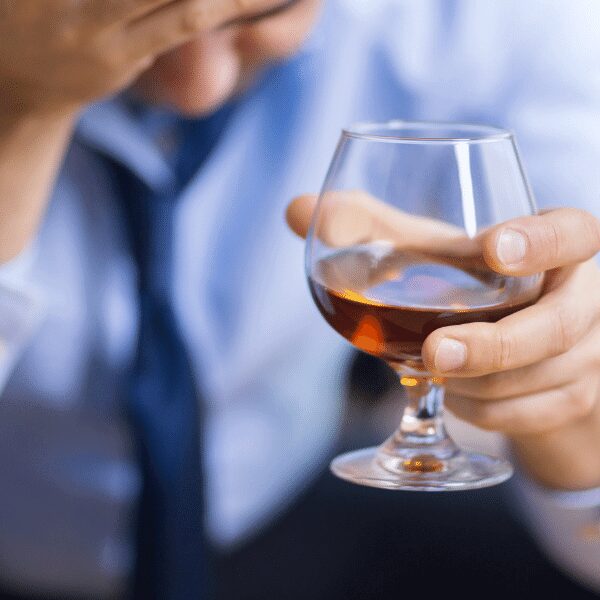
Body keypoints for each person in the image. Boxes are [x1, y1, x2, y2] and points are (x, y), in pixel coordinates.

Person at [0, 0, 599, 597]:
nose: (197, 88)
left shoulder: (498, 23)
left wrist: (570, 404)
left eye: (253, 12)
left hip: (278, 513)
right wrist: (18, 108)